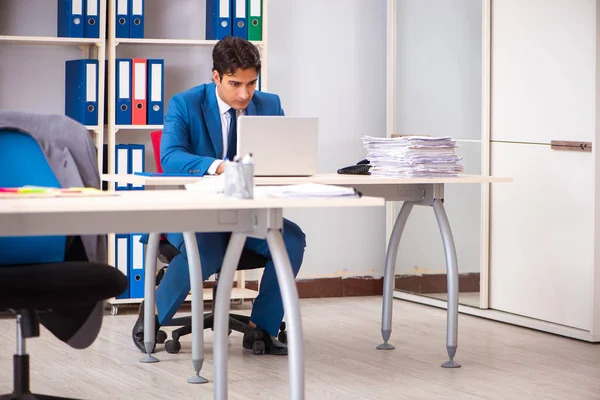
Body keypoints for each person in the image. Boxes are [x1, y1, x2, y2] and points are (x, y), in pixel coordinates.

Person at [132, 36, 306, 356]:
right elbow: (169, 157)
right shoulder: (185, 103)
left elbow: (281, 156)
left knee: (291, 239)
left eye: (251, 83)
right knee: (206, 250)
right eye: (235, 84)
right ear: (216, 77)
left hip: (247, 214)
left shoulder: (269, 104)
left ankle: (262, 328)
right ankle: (153, 312)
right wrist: (219, 167)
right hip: (195, 213)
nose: (244, 94)